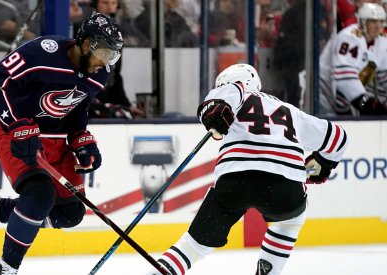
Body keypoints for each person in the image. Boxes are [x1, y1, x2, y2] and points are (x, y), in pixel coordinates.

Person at [0, 13, 123, 274]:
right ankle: (7, 269)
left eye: (112, 56)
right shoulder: (41, 53)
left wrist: (80, 137)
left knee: (70, 213)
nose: (105, 62)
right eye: (104, 52)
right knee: (40, 196)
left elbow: (79, 104)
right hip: (17, 133)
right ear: (87, 43)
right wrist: (15, 124)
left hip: (56, 141)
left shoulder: (99, 74)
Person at [147, 64, 348, 275]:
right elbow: (338, 137)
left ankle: (165, 270)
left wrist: (213, 110)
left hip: (236, 180)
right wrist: (322, 164)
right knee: (289, 223)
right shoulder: (291, 112)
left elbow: (223, 98)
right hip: (286, 184)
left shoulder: (233, 90)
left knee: (195, 244)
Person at [319, 3, 387, 115]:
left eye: (381, 22)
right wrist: (365, 102)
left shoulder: (382, 42)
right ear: (363, 22)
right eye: (373, 21)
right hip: (322, 93)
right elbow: (344, 78)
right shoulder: (349, 37)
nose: (378, 26)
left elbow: (384, 76)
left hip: (343, 100)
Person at [88, 0, 145, 119]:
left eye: (113, 3)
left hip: (106, 97)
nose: (110, 7)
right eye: (105, 3)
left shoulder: (117, 30)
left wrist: (127, 106)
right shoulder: (85, 27)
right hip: (90, 98)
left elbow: (115, 74)